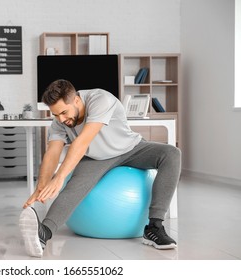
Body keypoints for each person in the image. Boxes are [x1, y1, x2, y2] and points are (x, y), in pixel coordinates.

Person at [19, 79, 181, 257]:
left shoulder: (100, 99)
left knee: (172, 153)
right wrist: (40, 186)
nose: (61, 119)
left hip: (130, 148)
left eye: (64, 113)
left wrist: (58, 178)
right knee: (74, 187)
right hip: (96, 158)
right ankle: (43, 233)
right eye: (56, 115)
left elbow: (82, 142)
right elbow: (52, 152)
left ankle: (154, 229)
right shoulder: (60, 121)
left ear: (77, 101)